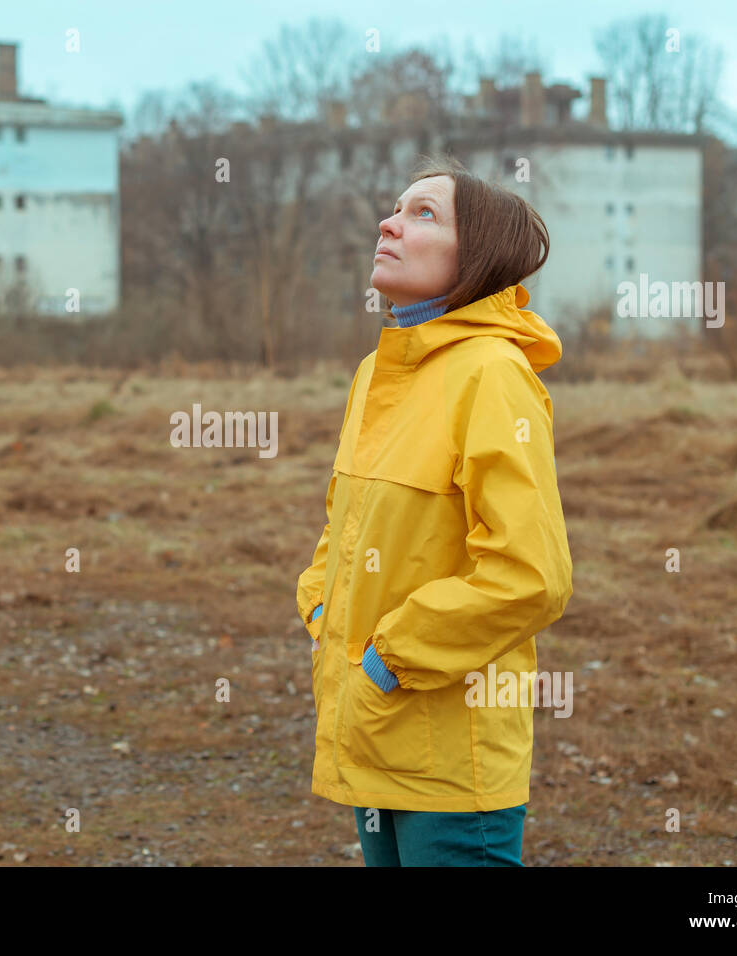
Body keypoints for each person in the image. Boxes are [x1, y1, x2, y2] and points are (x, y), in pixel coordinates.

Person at [295, 157, 573, 866]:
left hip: (452, 756)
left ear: (474, 257)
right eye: (396, 208)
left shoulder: (492, 374)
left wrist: (391, 656)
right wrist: (324, 609)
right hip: (373, 726)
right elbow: (345, 524)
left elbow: (530, 574)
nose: (389, 222)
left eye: (424, 214)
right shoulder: (377, 373)